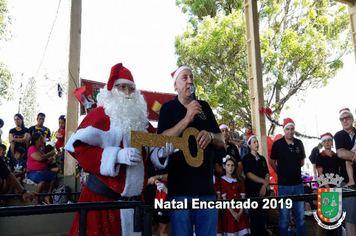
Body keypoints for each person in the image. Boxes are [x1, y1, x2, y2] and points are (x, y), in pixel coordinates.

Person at [64, 63, 174, 236]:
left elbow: (150, 151)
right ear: (112, 90)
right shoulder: (99, 115)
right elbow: (80, 150)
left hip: (135, 203)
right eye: (122, 87)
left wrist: (160, 153)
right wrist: (116, 156)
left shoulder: (141, 122)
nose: (128, 92)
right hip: (103, 202)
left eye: (131, 88)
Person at [156, 65, 224, 236]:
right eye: (184, 78)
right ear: (175, 85)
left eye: (192, 77)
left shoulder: (205, 107)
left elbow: (221, 140)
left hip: (206, 191)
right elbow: (161, 140)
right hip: (179, 192)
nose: (190, 81)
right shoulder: (168, 108)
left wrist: (210, 135)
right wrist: (187, 118)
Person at [270, 118, 306, 236]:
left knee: (300, 216)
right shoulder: (277, 144)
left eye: (292, 129)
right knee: (284, 217)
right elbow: (271, 161)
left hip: (298, 185)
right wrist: (279, 172)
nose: (290, 131)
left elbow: (302, 161)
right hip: (284, 185)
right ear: (284, 130)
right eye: (288, 129)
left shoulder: (299, 143)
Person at [334, 108, 356, 235]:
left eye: (347, 117)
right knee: (350, 219)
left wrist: (350, 155)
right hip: (348, 183)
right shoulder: (339, 135)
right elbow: (341, 153)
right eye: (342, 119)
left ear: (352, 118)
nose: (345, 121)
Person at [242, 133, 269, 236]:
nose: (256, 144)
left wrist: (264, 186)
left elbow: (267, 173)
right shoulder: (247, 158)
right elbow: (249, 174)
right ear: (249, 145)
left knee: (263, 218)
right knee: (255, 218)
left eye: (257, 141)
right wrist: (263, 182)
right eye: (254, 142)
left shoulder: (262, 159)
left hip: (263, 192)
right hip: (252, 192)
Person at [220, 155, 250, 236]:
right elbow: (224, 198)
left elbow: (243, 197)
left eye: (232, 165)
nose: (230, 168)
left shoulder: (239, 180)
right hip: (229, 211)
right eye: (228, 165)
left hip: (240, 210)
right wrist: (233, 213)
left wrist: (240, 212)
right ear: (224, 166)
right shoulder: (222, 180)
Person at [27, 133, 57, 205]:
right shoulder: (32, 148)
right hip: (33, 172)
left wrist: (56, 157)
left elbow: (46, 161)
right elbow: (40, 158)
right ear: (35, 141)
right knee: (42, 180)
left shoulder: (42, 149)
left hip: (43, 171)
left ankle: (47, 196)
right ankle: (37, 199)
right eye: (40, 139)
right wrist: (50, 154)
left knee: (54, 176)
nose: (42, 140)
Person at [143, 167, 170, 236]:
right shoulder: (145, 159)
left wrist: (156, 177)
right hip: (148, 197)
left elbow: (172, 176)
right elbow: (138, 180)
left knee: (164, 228)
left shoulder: (166, 159)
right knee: (152, 229)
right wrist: (152, 181)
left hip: (164, 195)